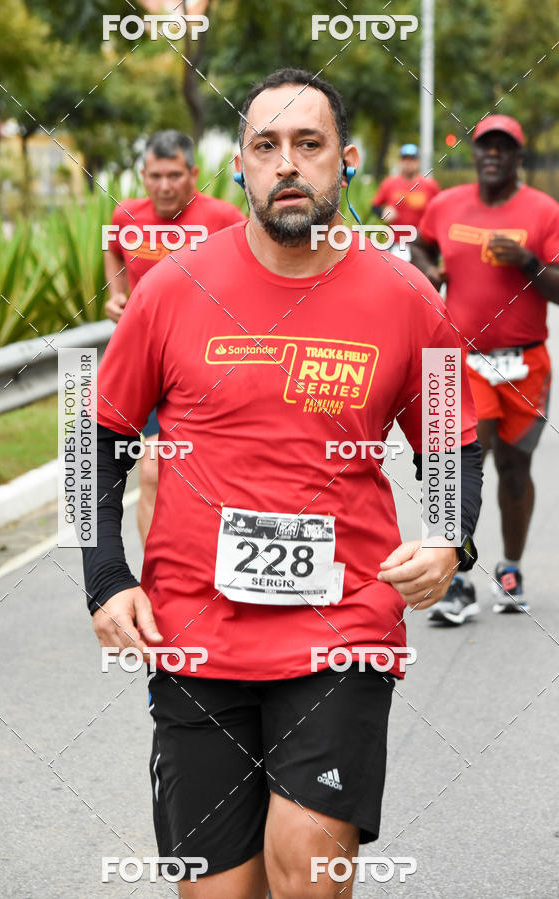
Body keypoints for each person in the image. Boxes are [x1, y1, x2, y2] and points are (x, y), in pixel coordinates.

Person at [83, 69, 482, 897]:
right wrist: (105, 577)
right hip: (194, 635)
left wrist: (451, 537)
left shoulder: (408, 296)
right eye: (266, 145)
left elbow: (452, 440)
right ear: (240, 166)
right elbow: (94, 437)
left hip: (344, 628)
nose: (287, 163)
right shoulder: (171, 288)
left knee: (305, 870)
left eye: (309, 143)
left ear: (347, 160)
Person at [411, 114, 559, 625]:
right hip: (455, 359)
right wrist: (428, 269)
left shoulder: (544, 211)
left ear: (518, 157)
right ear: (474, 154)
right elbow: (420, 244)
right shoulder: (446, 205)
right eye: (485, 146)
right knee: (452, 468)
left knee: (514, 470)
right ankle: (454, 579)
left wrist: (527, 261)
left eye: (503, 147)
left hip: (524, 362)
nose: (492, 154)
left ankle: (511, 569)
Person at [104, 129, 246, 545]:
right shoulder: (125, 217)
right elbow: (113, 247)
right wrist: (115, 295)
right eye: (155, 176)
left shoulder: (223, 218)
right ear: (143, 176)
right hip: (148, 365)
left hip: (209, 367)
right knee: (152, 470)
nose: (164, 186)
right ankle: (156, 575)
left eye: (174, 175)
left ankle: (216, 558)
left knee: (213, 473)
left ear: (193, 174)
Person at [371, 143, 440, 231]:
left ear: (418, 162)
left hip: (421, 237)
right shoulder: (389, 183)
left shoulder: (430, 185)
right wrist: (383, 213)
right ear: (400, 162)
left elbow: (440, 209)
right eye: (405, 159)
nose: (408, 163)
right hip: (395, 237)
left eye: (412, 159)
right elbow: (374, 207)